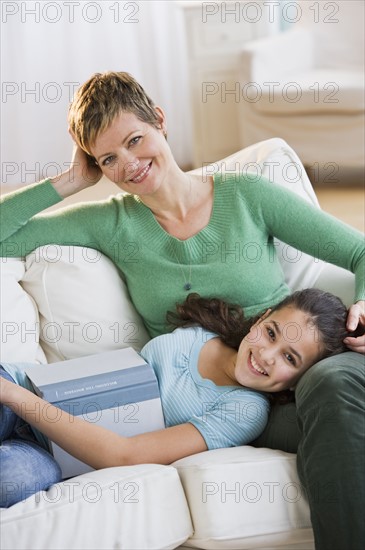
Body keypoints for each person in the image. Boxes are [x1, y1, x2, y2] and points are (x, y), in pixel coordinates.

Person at [0, 71, 364, 548]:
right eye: (109, 158)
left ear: (160, 121)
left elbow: (359, 251)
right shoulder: (111, 223)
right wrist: (71, 181)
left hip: (286, 380)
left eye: (135, 140)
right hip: (212, 392)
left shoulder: (248, 196)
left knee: (334, 382)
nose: (129, 164)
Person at [0, 288, 351, 509]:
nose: (267, 355)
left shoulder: (244, 411)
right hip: (29, 384)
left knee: (12, 475)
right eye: (270, 333)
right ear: (260, 319)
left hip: (50, 452)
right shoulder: (206, 330)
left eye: (290, 358)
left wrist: (15, 397)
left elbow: (125, 455)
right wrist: (15, 390)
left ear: (298, 381)